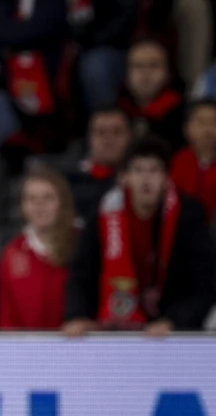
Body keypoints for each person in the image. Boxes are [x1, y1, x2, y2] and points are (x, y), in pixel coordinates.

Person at [64, 136, 216, 335]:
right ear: (124, 177)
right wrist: (77, 315)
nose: (146, 179)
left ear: (166, 178)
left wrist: (174, 321)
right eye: (138, 170)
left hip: (170, 329)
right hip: (113, 325)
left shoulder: (189, 216)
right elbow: (81, 274)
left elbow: (204, 282)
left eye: (154, 171)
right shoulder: (103, 213)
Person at [0, 166, 75, 330]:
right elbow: (7, 318)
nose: (40, 205)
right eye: (32, 199)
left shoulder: (81, 243)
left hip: (78, 345)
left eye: (48, 198)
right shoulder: (12, 253)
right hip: (29, 350)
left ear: (62, 202)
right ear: (22, 206)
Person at [117, 39, 186, 150]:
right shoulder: (118, 111)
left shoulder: (183, 115)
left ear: (168, 74)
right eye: (138, 66)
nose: (145, 72)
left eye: (154, 66)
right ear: (127, 75)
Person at [171, 99, 216, 223]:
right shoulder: (176, 161)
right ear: (186, 129)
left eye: (214, 122)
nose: (208, 130)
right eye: (201, 122)